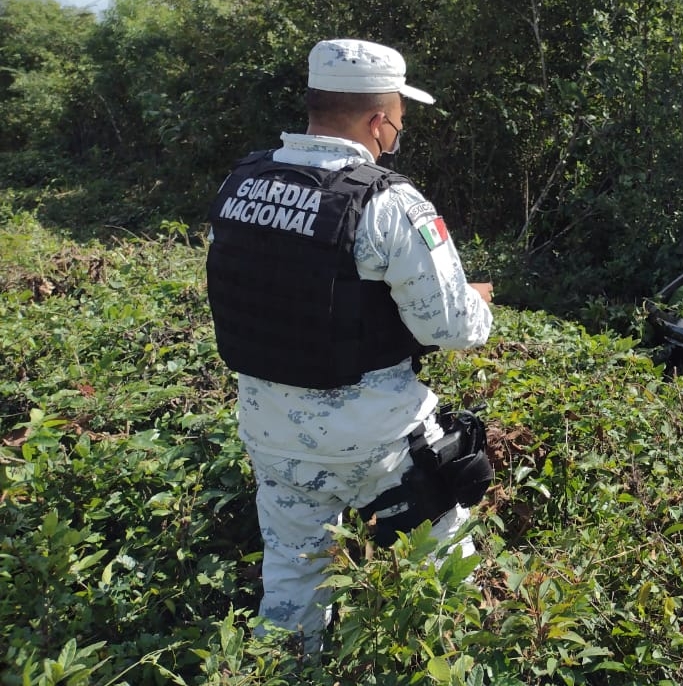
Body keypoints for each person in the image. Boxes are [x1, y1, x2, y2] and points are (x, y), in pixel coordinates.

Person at [205, 38, 494, 654]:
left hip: (270, 430)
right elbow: (453, 329)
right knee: (445, 583)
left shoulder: (240, 185)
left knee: (291, 578)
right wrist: (475, 302)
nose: (396, 135)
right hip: (379, 442)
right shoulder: (389, 203)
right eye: (398, 121)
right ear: (377, 120)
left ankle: (284, 663)